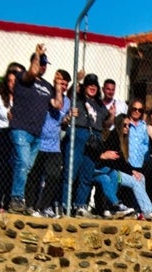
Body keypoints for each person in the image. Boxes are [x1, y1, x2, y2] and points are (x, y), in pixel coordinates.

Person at [8, 44, 63, 213]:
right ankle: (16, 199)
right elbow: (32, 72)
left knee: (28, 167)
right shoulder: (23, 77)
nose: (43, 67)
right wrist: (38, 55)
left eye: (45, 64)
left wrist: (58, 87)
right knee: (23, 164)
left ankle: (22, 200)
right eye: (41, 63)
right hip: (21, 129)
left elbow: (57, 104)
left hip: (36, 134)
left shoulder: (47, 86)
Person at [61, 72, 113, 217]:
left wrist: (112, 116)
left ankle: (80, 206)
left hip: (94, 139)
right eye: (89, 85)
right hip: (78, 134)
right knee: (71, 172)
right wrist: (77, 79)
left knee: (87, 174)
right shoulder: (77, 99)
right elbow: (71, 92)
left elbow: (106, 123)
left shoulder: (99, 104)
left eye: (94, 85)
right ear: (84, 87)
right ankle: (65, 204)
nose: (92, 87)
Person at [90, 113, 152, 219]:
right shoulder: (115, 137)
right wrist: (131, 171)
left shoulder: (124, 139)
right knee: (135, 180)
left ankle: (142, 208)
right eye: (124, 125)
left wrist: (132, 171)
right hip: (111, 170)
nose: (127, 128)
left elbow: (122, 162)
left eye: (128, 126)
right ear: (118, 125)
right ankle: (148, 210)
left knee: (141, 177)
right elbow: (118, 162)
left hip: (116, 170)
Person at [25, 69, 72, 218]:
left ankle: (44, 206)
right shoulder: (46, 94)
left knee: (54, 176)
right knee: (34, 175)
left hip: (54, 145)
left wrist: (68, 118)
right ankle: (31, 205)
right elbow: (54, 106)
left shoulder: (68, 101)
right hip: (39, 141)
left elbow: (62, 120)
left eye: (65, 84)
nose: (63, 86)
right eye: (61, 83)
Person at [0, 62, 24, 211]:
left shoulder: (23, 99)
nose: (11, 84)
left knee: (12, 170)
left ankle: (9, 201)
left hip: (17, 136)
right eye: (9, 81)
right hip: (2, 134)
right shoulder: (0, 96)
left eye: (15, 81)